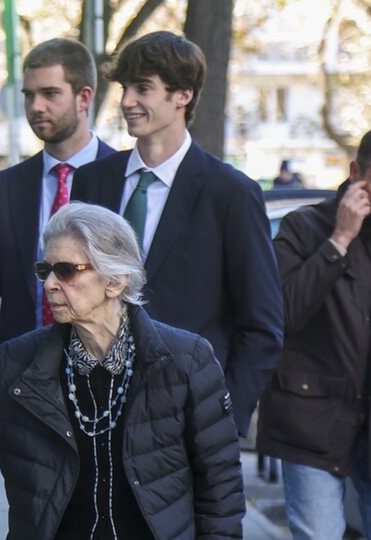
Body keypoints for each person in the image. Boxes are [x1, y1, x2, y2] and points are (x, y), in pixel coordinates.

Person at [0, 202, 245, 538]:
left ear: (116, 280)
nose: (50, 284)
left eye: (67, 271)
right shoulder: (17, 364)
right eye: (45, 270)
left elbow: (221, 489)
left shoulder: (185, 360)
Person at [70, 31, 284, 437]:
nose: (128, 100)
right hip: (93, 414)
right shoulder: (92, 183)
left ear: (182, 95)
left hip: (187, 423)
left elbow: (262, 325)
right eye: (125, 87)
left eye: (143, 88)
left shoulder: (231, 194)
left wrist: (223, 419)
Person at [256, 130, 371, 539]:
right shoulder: (305, 226)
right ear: (357, 174)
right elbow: (281, 314)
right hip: (311, 419)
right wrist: (339, 241)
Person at [0, 38, 115, 351]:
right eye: (29, 95)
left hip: (105, 373)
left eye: (50, 94)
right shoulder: (5, 187)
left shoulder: (123, 178)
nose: (36, 106)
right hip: (19, 374)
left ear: (83, 97)